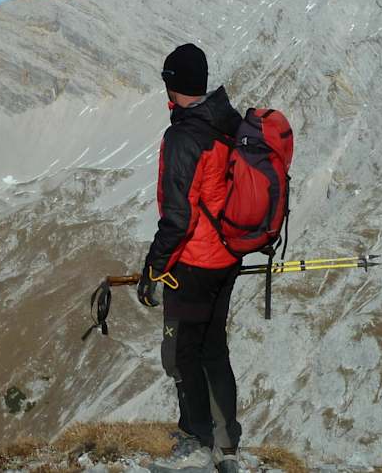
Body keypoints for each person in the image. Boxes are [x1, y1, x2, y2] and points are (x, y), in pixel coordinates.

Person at [137, 43, 243, 473]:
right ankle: (226, 445)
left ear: (172, 84)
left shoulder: (183, 137)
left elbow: (178, 218)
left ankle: (198, 441)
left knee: (181, 353)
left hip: (194, 264)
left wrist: (154, 269)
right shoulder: (227, 122)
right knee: (213, 349)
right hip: (227, 259)